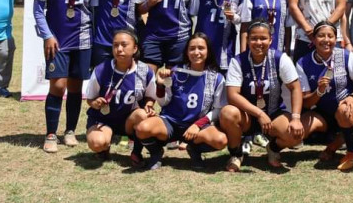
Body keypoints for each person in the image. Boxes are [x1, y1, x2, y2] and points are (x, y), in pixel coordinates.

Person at [33, 0, 98, 153]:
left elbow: (95, 9)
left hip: (83, 39)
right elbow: (37, 9)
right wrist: (47, 36)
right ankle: (51, 134)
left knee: (75, 88)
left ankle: (70, 130)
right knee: (58, 86)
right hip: (58, 41)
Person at [219, 20, 304, 171]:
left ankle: (273, 148)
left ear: (271, 39)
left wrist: (296, 118)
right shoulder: (238, 61)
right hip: (247, 116)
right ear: (248, 40)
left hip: (273, 114)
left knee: (295, 134)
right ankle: (236, 154)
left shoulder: (280, 58)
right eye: (254, 38)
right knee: (228, 113)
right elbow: (232, 95)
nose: (259, 42)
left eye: (263, 38)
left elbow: (295, 88)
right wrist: (258, 113)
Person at [135, 33, 227, 170]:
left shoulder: (217, 78)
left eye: (201, 48)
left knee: (220, 140)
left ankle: (195, 150)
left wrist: (197, 125)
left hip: (197, 127)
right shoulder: (176, 72)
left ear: (208, 51)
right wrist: (160, 85)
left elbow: (218, 109)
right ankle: (156, 152)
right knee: (143, 128)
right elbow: (164, 102)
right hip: (171, 121)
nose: (196, 52)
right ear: (186, 52)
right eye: (192, 48)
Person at [297, 21, 353, 171]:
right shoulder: (302, 62)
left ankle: (351, 153)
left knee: (344, 110)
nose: (326, 40)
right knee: (294, 133)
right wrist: (319, 91)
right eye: (321, 36)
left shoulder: (345, 55)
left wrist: (352, 97)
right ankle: (336, 142)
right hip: (324, 112)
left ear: (335, 39)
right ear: (314, 39)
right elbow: (305, 103)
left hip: (351, 106)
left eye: (330, 36)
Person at [85, 29, 157, 161]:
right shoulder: (101, 69)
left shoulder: (145, 71)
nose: (119, 49)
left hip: (129, 121)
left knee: (142, 115)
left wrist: (149, 104)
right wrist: (95, 103)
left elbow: (151, 96)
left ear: (135, 48)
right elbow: (90, 99)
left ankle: (136, 151)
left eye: (124, 45)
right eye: (115, 45)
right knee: (97, 143)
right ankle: (104, 149)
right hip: (103, 119)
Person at [191, 0, 243, 76]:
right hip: (203, 43)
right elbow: (192, 13)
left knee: (222, 82)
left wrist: (233, 17)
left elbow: (241, 20)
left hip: (224, 47)